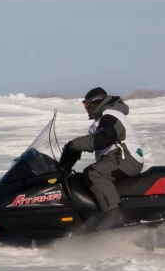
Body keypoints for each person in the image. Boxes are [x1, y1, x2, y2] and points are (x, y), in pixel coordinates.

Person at [60, 87, 144, 229]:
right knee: (80, 179)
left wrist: (75, 144)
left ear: (96, 102)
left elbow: (104, 139)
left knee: (94, 173)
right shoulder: (102, 119)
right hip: (116, 158)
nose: (86, 108)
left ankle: (114, 215)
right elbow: (89, 143)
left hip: (126, 159)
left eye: (87, 105)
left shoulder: (111, 115)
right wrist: (63, 166)